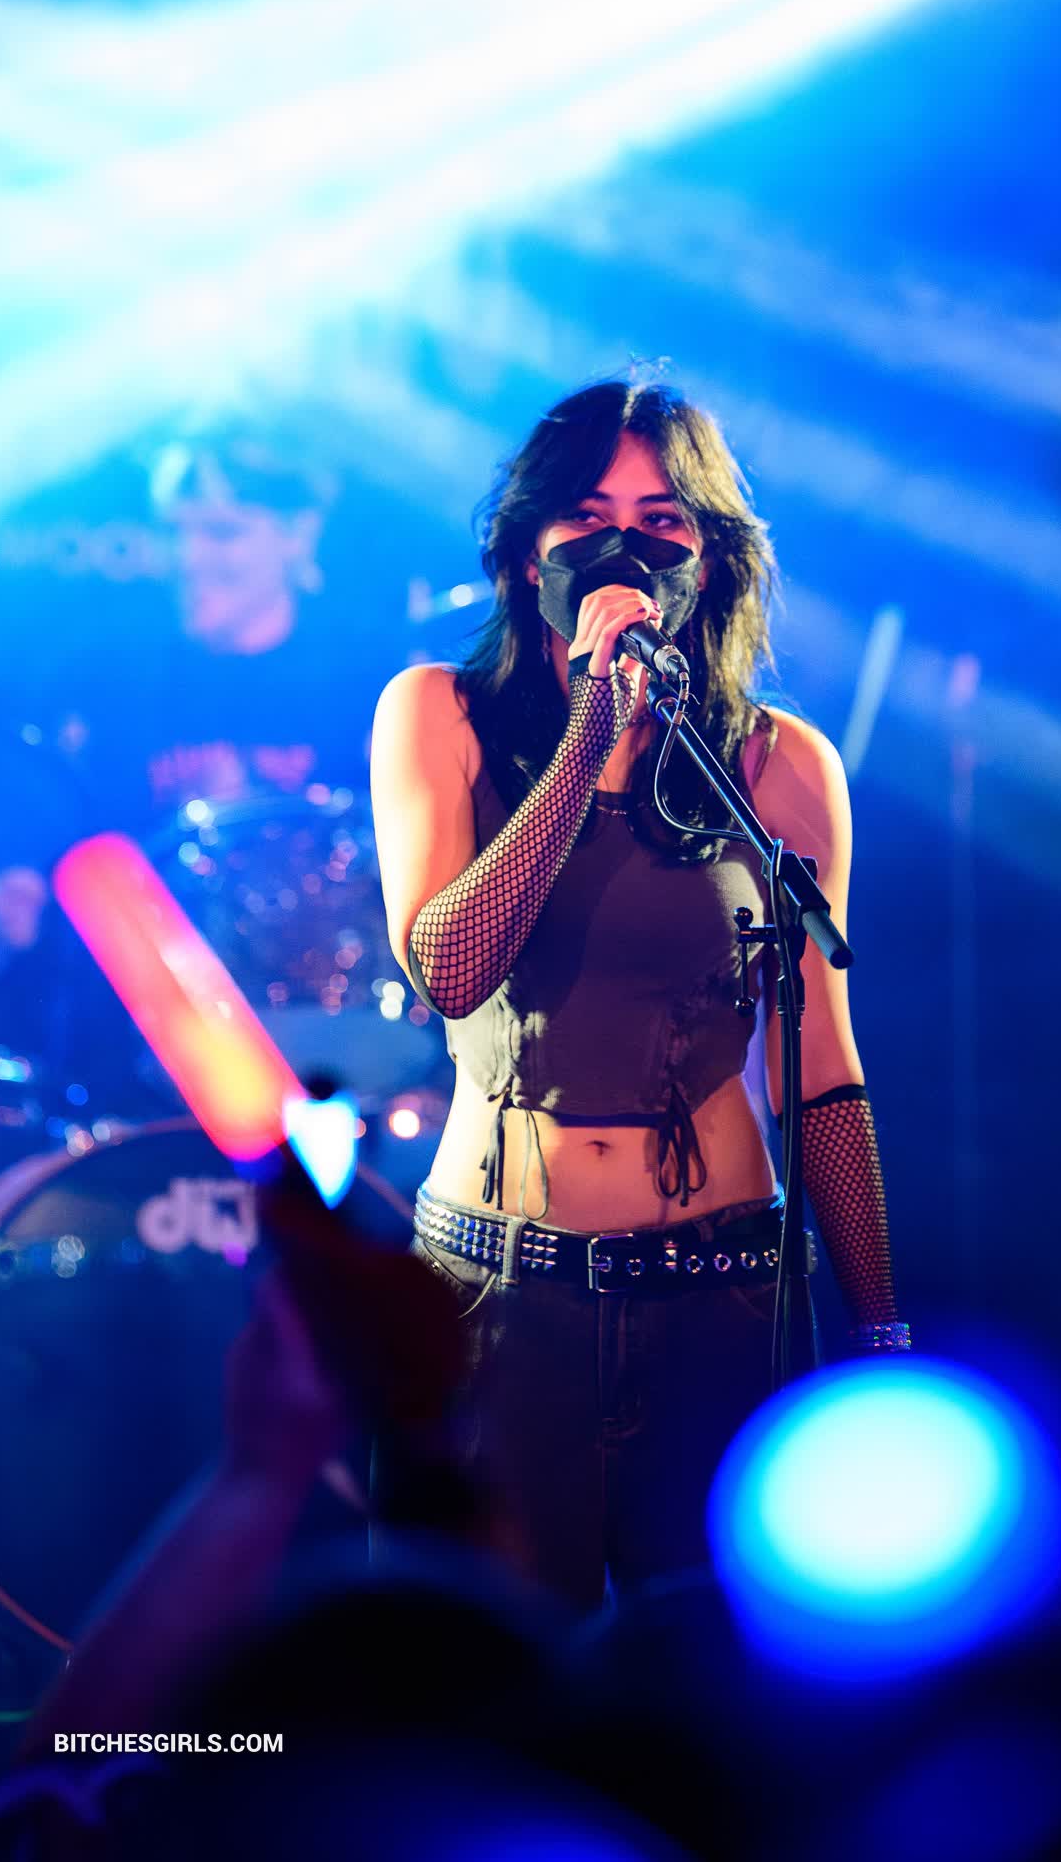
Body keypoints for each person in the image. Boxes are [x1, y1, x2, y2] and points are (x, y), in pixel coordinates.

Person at [368, 378, 907, 1612]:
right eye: (587, 517)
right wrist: (587, 735)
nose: (623, 548)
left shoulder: (775, 762)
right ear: (528, 555)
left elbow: (820, 1063)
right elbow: (448, 967)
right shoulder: (438, 714)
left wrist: (879, 1329)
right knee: (491, 1672)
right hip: (501, 1294)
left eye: (661, 521)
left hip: (721, 1297)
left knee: (718, 1680)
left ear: (707, 561)